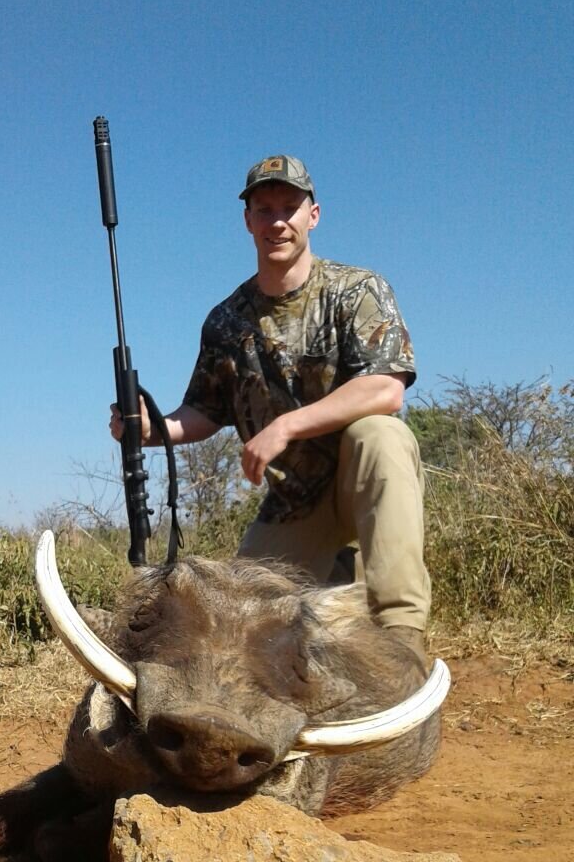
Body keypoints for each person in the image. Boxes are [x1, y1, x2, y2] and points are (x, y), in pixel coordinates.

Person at [110, 154, 430, 664]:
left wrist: (286, 426)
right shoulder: (225, 320)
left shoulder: (357, 289)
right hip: (291, 504)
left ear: (313, 215)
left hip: (356, 485)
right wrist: (151, 429)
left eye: (289, 208)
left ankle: (402, 641)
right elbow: (204, 411)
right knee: (236, 635)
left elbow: (386, 389)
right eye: (264, 210)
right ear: (248, 221)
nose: (277, 221)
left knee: (382, 437)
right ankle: (340, 578)